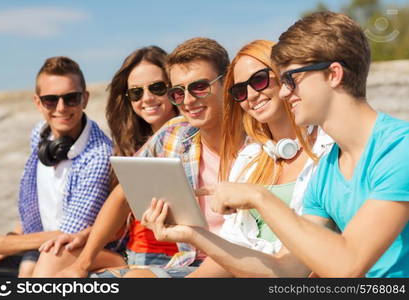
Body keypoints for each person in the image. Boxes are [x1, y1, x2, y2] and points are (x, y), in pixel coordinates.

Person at [193, 11, 409, 277]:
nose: (284, 92)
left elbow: (348, 264)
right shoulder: (328, 167)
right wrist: (193, 235)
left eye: (291, 80)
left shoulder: (400, 149)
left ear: (333, 74)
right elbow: (287, 271)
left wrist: (257, 196)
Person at [134, 39, 334, 278]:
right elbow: (233, 253)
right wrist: (188, 234)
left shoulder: (329, 151)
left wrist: (257, 196)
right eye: (239, 90)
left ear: (284, 78)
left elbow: (291, 269)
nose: (250, 94)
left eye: (259, 80)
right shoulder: (251, 159)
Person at [32, 37, 230, 278]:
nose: (146, 98)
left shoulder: (250, 143)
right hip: (161, 257)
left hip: (187, 259)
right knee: (53, 261)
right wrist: (82, 261)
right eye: (136, 92)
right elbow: (121, 199)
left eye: (157, 88)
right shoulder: (168, 137)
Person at [0, 56, 120, 277]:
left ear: (85, 99)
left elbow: (70, 233)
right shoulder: (40, 134)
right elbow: (37, 199)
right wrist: (15, 234)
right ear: (38, 102)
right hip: (43, 241)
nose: (61, 108)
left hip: (85, 247)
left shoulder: (98, 155)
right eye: (51, 100)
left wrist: (4, 244)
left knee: (36, 273)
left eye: (71, 98)